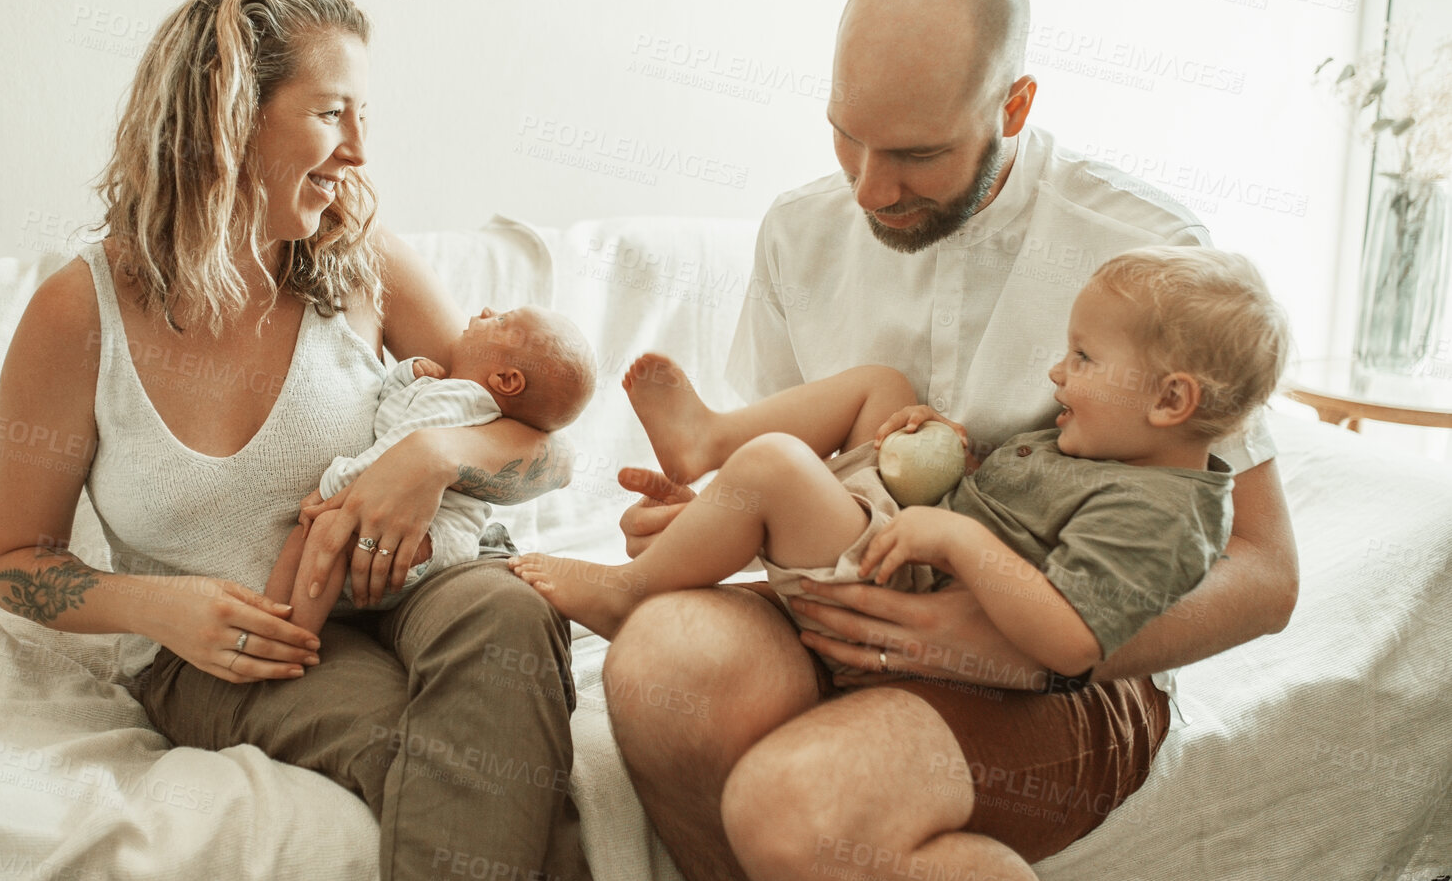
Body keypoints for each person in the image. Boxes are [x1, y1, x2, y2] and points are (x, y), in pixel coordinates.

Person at [601, 0, 1300, 881]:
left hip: (1062, 674)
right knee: (658, 655)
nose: (870, 191)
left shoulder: (1141, 256)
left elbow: (1263, 571)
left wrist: (1009, 646)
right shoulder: (798, 233)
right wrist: (708, 521)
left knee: (797, 813)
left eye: (917, 156)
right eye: (848, 139)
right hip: (843, 612)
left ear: (1011, 108)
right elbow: (805, 486)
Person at [0, 0, 608, 881]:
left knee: (503, 613)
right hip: (244, 644)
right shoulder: (78, 314)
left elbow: (541, 444)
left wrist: (434, 453)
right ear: (230, 118)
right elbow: (17, 564)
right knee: (468, 766)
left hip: (423, 585)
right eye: (331, 115)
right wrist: (159, 605)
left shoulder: (360, 256)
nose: (359, 152)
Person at [514, 247, 1289, 695]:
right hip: (912, 531)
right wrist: (950, 448)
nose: (1056, 372)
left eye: (1083, 357)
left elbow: (1070, 638)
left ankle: (627, 596)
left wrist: (952, 538)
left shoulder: (1160, 518)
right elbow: (1022, 503)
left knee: (779, 468)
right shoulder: (1114, 447)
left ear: (1169, 399)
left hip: (908, 584)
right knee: (882, 386)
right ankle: (706, 439)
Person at [268, 304, 597, 637]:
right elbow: (385, 416)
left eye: (501, 321)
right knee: (316, 532)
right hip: (434, 539)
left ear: (507, 380)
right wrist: (407, 375)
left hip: (436, 536)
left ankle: (293, 636)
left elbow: (391, 458)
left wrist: (332, 490)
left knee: (325, 527)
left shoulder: (461, 400)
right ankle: (272, 622)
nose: (486, 310)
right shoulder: (449, 393)